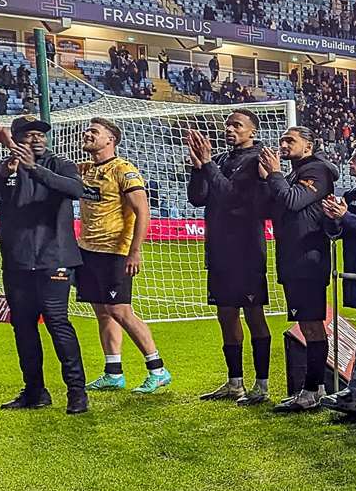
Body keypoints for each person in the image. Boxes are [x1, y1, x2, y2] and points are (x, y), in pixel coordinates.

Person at [0, 118, 87, 413]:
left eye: (41, 134)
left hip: (54, 259)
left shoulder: (59, 164)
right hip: (17, 261)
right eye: (30, 134)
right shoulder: (2, 168)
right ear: (18, 138)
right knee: (22, 327)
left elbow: (75, 190)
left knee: (57, 322)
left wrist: (33, 167)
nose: (37, 138)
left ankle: (77, 392)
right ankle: (35, 392)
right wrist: (2, 174)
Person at [75, 118, 171, 394]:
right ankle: (113, 372)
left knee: (120, 311)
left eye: (94, 131)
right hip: (88, 251)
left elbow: (143, 211)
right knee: (103, 313)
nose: (87, 134)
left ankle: (158, 369)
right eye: (88, 130)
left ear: (110, 139)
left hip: (116, 252)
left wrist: (135, 251)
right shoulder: (85, 170)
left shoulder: (124, 170)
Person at [185, 110, 273, 405]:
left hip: (246, 250)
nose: (230, 129)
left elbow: (230, 196)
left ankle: (262, 384)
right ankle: (235, 383)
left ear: (253, 132)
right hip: (219, 248)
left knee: (253, 314)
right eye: (228, 125)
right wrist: (198, 167)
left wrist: (207, 163)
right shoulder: (221, 159)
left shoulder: (256, 159)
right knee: (225, 314)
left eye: (237, 125)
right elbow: (198, 198)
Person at [256, 125, 339, 411]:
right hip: (292, 258)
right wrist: (269, 180)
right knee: (305, 324)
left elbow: (292, 202)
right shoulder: (294, 174)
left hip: (309, 259)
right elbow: (271, 209)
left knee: (313, 325)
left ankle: (313, 390)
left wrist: (276, 175)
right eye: (281, 139)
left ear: (308, 146)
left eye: (290, 140)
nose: (283, 144)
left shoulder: (317, 171)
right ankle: (310, 390)